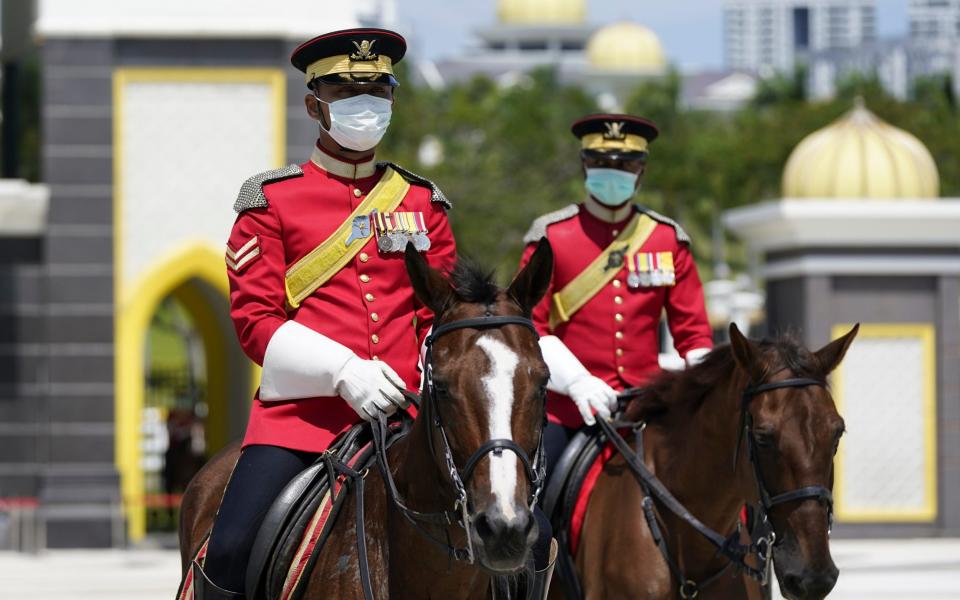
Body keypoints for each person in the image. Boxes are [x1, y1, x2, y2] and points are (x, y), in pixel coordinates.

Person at [193, 28, 459, 599]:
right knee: (231, 552)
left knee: (524, 540)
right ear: (315, 104)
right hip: (300, 425)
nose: (365, 106)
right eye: (347, 92)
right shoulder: (271, 201)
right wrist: (343, 371)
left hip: (410, 423)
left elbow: (439, 317)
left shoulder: (421, 203)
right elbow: (256, 324)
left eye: (378, 92)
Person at [518, 114, 713, 480]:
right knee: (530, 497)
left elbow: (694, 336)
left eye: (624, 164)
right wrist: (577, 382)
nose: (613, 171)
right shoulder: (552, 237)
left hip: (648, 408)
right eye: (601, 163)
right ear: (584, 166)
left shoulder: (666, 239)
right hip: (568, 411)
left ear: (641, 172)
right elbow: (529, 327)